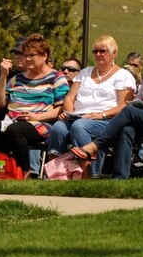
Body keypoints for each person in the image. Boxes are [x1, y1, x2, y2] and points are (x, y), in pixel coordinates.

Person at [70, 34, 143, 179]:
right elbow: (138, 99)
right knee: (126, 129)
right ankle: (120, 177)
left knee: (129, 110)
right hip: (141, 117)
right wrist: (140, 104)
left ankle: (96, 145)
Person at [47, 35, 137, 174]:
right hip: (78, 116)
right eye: (95, 51)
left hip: (107, 120)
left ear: (114, 53)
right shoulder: (85, 73)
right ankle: (55, 172)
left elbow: (124, 105)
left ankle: (88, 172)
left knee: (80, 126)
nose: (98, 54)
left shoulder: (123, 76)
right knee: (58, 127)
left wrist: (102, 114)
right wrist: (68, 113)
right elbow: (70, 98)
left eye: (103, 51)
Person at [0, 34, 69, 178]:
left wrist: (36, 116)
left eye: (31, 55)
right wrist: (3, 76)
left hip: (41, 123)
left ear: (44, 55)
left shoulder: (56, 77)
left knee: (14, 130)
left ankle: (26, 172)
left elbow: (62, 109)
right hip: (13, 121)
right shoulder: (16, 79)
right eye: (25, 55)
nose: (26, 59)